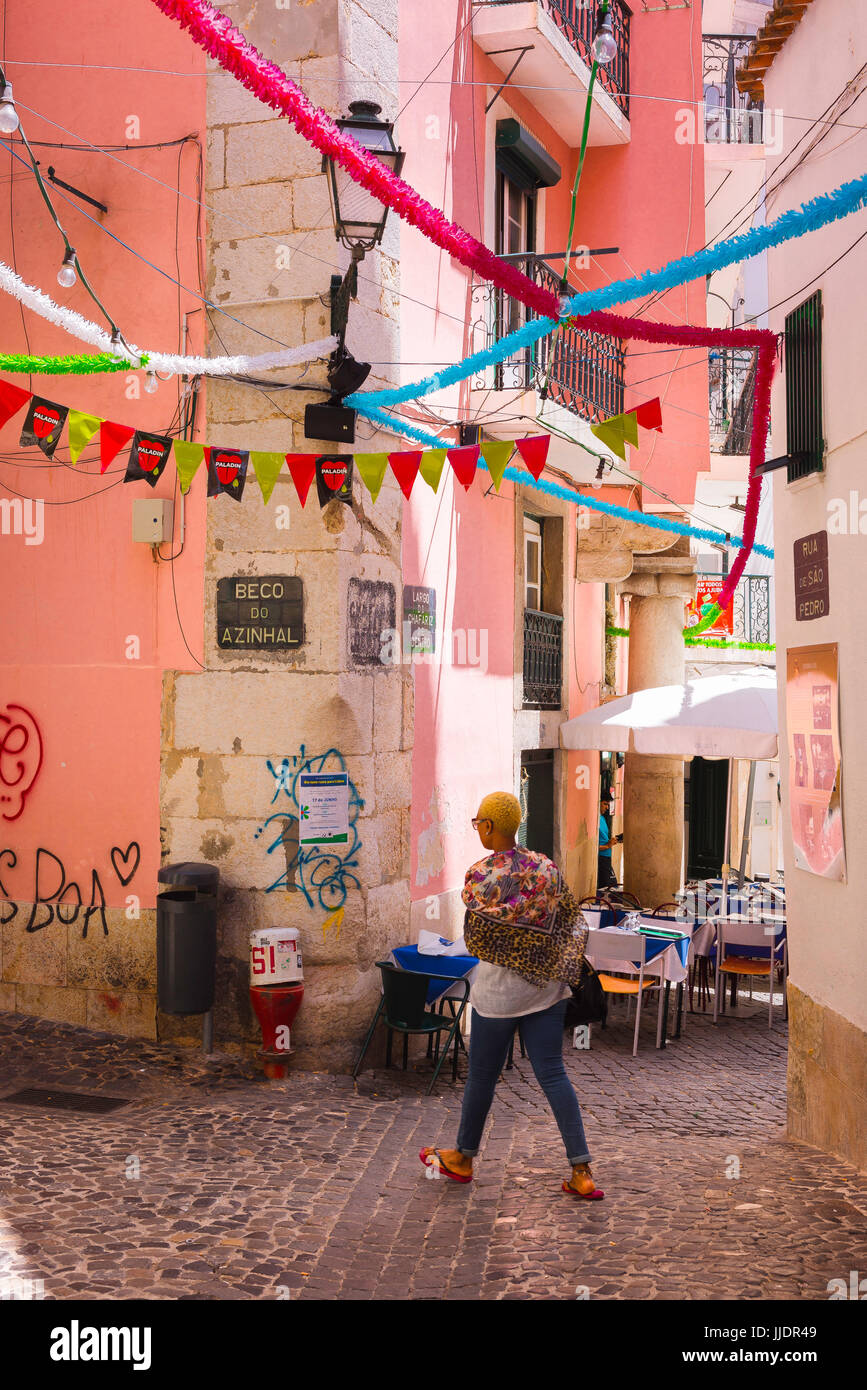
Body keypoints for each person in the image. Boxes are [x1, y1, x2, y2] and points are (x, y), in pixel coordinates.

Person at [420, 791, 603, 1200]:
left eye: (477, 823)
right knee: (553, 1075)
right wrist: (550, 962)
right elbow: (571, 923)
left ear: (487, 827)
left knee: (482, 1077)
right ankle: (582, 1169)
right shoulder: (546, 869)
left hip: (498, 996)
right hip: (545, 991)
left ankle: (464, 1158)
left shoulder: (482, 877)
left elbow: (477, 938)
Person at [597, 793, 620, 891]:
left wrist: (612, 841)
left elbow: (604, 839)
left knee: (613, 888)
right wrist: (607, 846)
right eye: (605, 804)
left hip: (607, 858)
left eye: (608, 805)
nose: (607, 807)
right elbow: (594, 847)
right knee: (605, 890)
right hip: (601, 859)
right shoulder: (596, 820)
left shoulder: (602, 818)